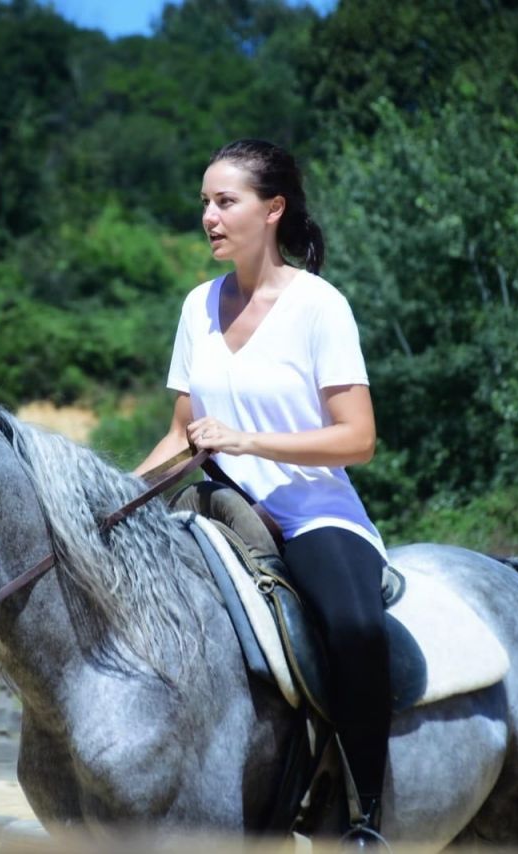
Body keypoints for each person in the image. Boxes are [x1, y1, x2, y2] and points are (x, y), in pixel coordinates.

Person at [137, 139, 390, 845]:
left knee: (356, 629)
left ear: (273, 209)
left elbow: (358, 439)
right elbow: (183, 433)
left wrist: (251, 442)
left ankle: (367, 816)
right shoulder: (197, 306)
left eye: (226, 202)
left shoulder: (319, 305)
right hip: (214, 510)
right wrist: (113, 495)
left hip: (311, 512)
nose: (210, 218)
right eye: (205, 204)